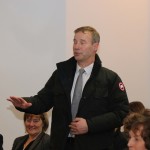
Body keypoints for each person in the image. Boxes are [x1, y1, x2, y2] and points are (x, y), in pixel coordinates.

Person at [7, 26, 129, 150]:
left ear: (95, 46)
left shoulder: (110, 78)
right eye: (75, 41)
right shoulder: (61, 74)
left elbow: (122, 113)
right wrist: (26, 104)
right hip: (62, 144)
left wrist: (90, 125)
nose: (76, 46)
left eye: (82, 42)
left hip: (94, 145)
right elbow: (43, 100)